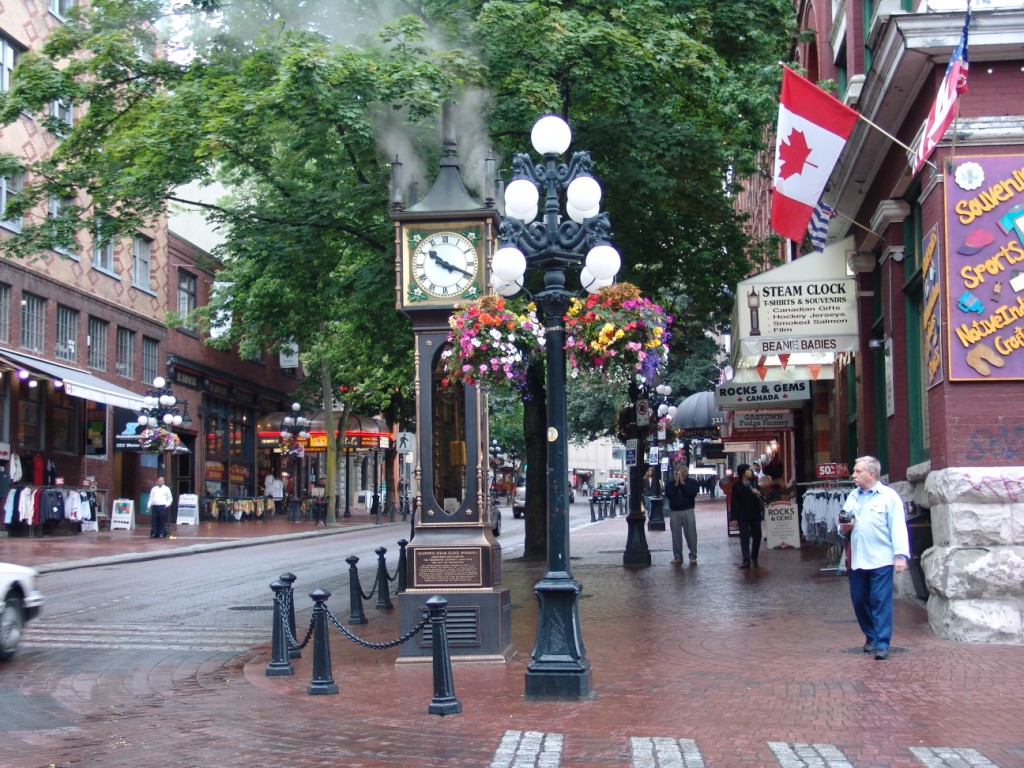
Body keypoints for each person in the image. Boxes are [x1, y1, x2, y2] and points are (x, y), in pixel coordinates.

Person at [838, 455, 910, 661]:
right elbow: (842, 523)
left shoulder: (889, 496)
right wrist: (844, 527)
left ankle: (882, 642)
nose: (854, 475)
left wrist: (900, 556)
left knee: (880, 600)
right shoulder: (853, 496)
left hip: (882, 558)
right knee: (859, 600)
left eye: (857, 471)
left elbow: (898, 527)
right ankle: (871, 635)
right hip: (858, 558)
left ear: (871, 473)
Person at [664, 466, 700, 565]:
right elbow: (669, 495)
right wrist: (676, 484)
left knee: (691, 534)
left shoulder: (692, 482)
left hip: (688, 510)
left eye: (682, 472)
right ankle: (678, 557)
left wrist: (683, 484)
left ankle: (693, 555)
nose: (680, 474)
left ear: (686, 473)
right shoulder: (671, 484)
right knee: (676, 535)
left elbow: (692, 493)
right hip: (675, 512)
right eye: (678, 473)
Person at [730, 463, 763, 568]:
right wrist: (733, 518)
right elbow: (734, 502)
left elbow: (763, 497)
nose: (751, 472)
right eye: (748, 470)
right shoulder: (737, 486)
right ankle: (746, 560)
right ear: (743, 473)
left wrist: (759, 493)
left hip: (755, 513)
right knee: (744, 537)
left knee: (757, 536)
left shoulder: (754, 483)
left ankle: (754, 555)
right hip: (742, 515)